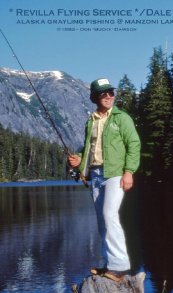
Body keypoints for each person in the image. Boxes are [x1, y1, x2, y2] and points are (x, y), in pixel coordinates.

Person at [68, 78, 141, 281]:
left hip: (115, 173)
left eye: (111, 92)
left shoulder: (122, 118)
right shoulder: (90, 121)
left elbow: (134, 145)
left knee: (110, 214)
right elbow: (88, 148)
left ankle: (119, 267)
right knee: (102, 221)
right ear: (94, 97)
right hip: (96, 175)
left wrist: (129, 171)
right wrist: (78, 159)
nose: (109, 96)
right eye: (103, 93)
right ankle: (109, 264)